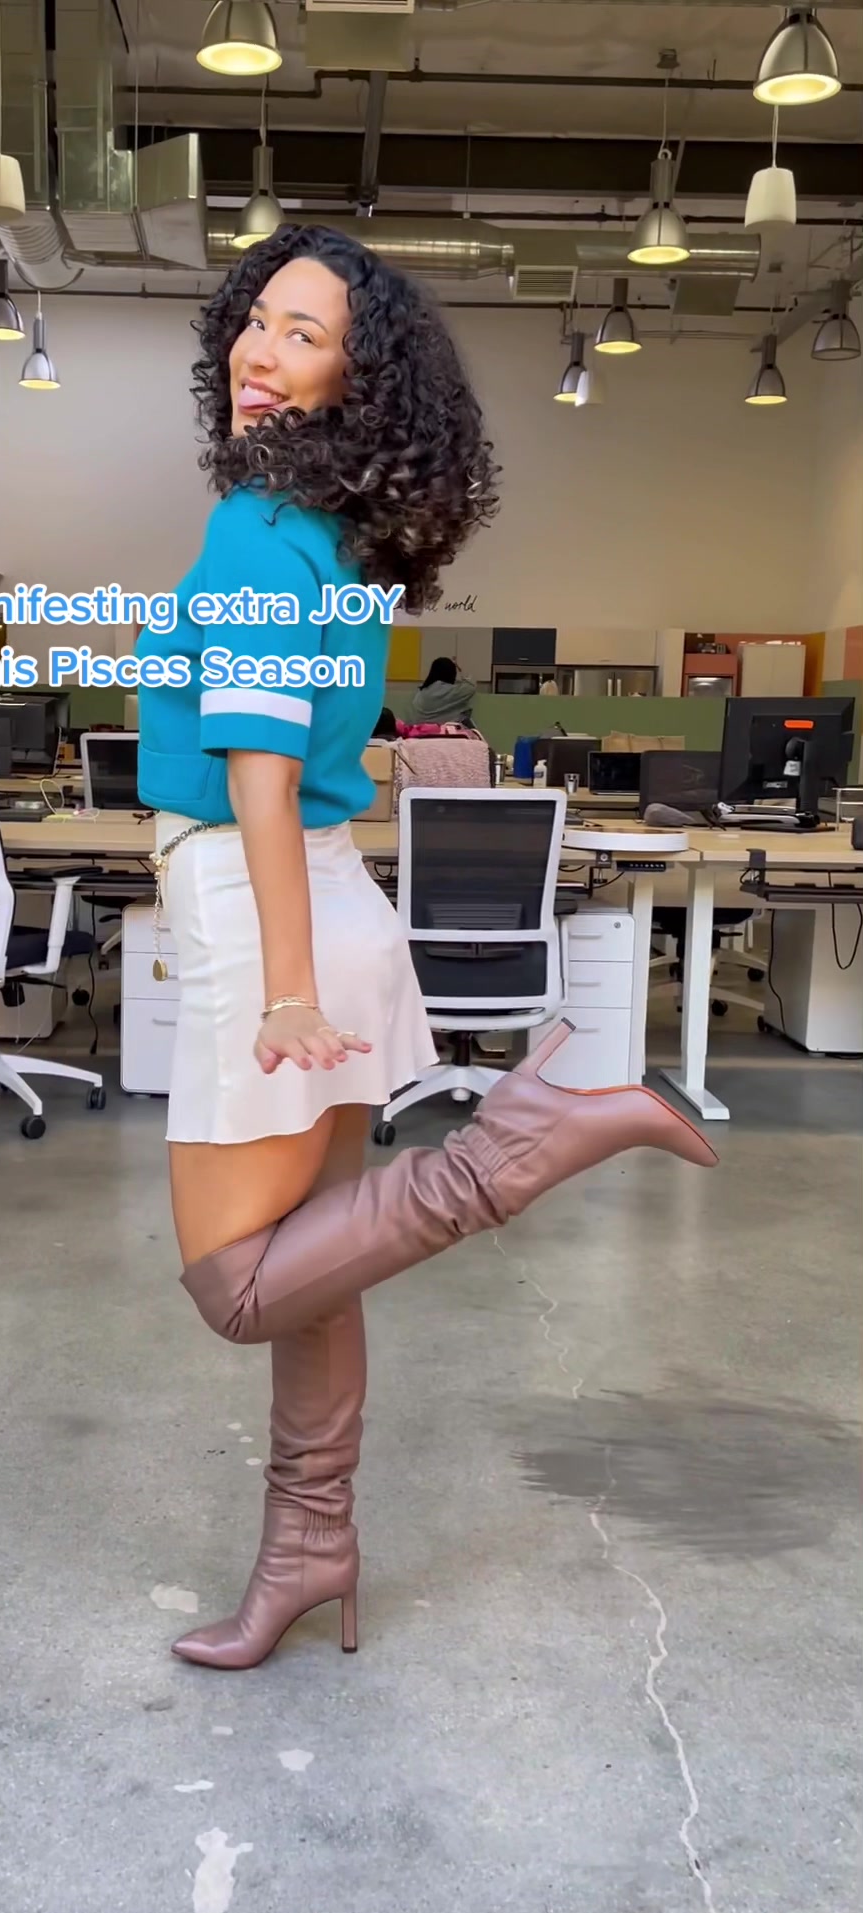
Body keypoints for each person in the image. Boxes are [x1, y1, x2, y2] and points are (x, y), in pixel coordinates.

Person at [136, 224, 718, 1673]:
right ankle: (309, 1547)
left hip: (263, 908)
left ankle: (521, 1141)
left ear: (359, 380)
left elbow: (261, 776)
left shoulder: (255, 534)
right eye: (255, 320)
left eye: (304, 335)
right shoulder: (334, 543)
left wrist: (280, 990)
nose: (259, 353)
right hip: (323, 899)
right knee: (313, 1271)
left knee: (238, 1287)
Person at [410, 654, 476, 726]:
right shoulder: (452, 692)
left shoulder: (421, 693)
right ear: (452, 674)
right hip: (448, 731)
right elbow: (471, 686)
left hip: (423, 731)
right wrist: (460, 669)